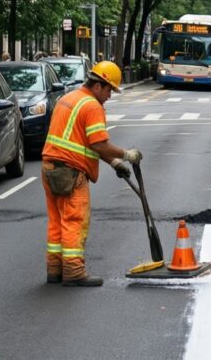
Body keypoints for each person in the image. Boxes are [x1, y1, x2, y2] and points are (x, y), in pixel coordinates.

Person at [40, 60, 141, 287]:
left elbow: (83, 141)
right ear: (98, 85)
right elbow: (99, 144)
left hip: (49, 168)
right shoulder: (92, 106)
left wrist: (113, 163)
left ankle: (55, 270)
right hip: (70, 172)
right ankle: (74, 271)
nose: (110, 96)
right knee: (75, 220)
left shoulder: (69, 98)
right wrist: (126, 155)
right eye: (109, 90)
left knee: (56, 221)